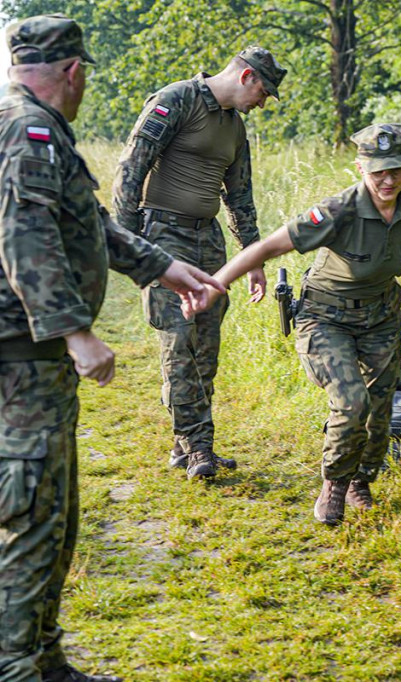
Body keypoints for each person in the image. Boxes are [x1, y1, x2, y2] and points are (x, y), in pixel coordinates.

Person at [0, 15, 225, 682]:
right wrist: (74, 331)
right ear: (74, 72)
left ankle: (45, 661)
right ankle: (17, 669)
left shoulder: (35, 128)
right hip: (23, 358)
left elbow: (88, 222)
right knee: (33, 514)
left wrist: (161, 265)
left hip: (33, 360)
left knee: (55, 515)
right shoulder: (27, 131)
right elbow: (25, 237)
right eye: (86, 73)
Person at [193, 123, 401, 525]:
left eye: (396, 170)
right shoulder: (339, 212)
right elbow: (269, 245)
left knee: (379, 408)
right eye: (378, 172)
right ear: (360, 168)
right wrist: (218, 283)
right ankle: (334, 484)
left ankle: (361, 481)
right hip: (326, 317)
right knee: (351, 400)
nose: (388, 180)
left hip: (380, 314)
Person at [110, 45, 287, 481]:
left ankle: (183, 442)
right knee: (179, 341)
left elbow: (239, 196)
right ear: (246, 77)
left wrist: (253, 259)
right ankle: (199, 447)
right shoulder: (176, 100)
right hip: (163, 235)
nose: (263, 102)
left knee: (206, 347)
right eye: (264, 92)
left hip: (207, 239)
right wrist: (129, 247)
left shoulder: (235, 127)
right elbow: (131, 169)